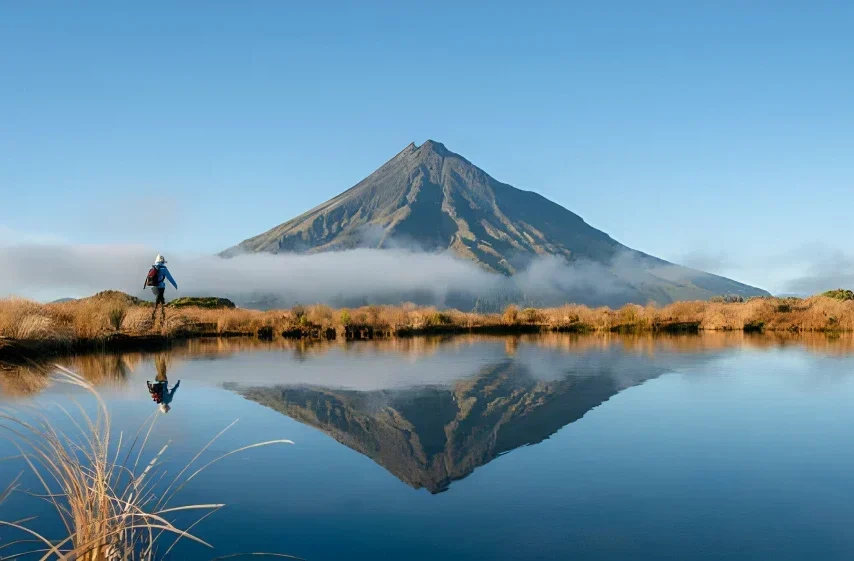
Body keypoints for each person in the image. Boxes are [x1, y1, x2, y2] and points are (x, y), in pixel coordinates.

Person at [144, 254, 177, 324]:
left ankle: (159, 315)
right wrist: (175, 285)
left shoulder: (153, 268)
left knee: (160, 299)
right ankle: (157, 316)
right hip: (161, 287)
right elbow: (170, 278)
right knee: (159, 301)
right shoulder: (164, 269)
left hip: (153, 287)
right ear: (163, 262)